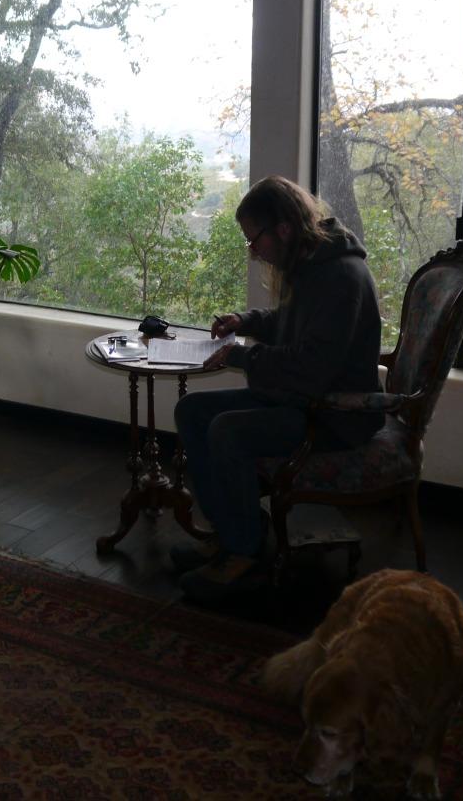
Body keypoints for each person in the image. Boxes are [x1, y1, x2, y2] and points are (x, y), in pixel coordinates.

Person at [172, 174, 383, 605]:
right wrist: (244, 322)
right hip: (302, 400)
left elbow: (311, 366)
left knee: (228, 431)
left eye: (255, 240)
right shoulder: (314, 265)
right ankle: (234, 533)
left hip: (332, 414)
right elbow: (289, 325)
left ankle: (245, 556)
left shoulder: (340, 276)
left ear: (283, 229)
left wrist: (241, 357)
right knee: (192, 411)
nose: (254, 251)